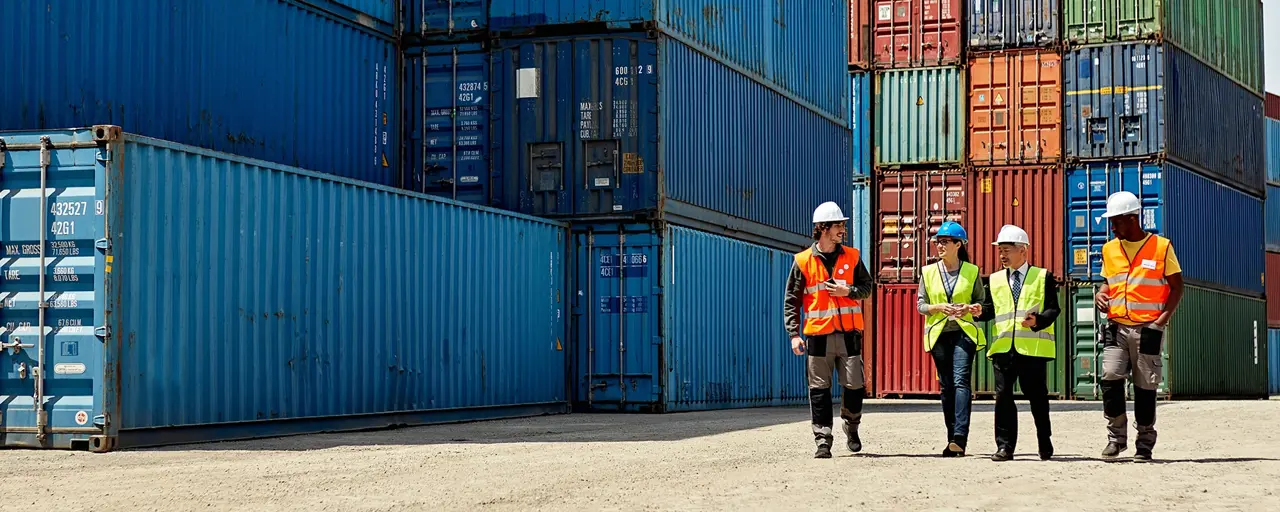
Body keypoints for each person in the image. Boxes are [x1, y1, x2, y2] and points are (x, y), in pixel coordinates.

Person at [1094, 191, 1183, 462]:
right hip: (1116, 327)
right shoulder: (1109, 249)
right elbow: (1108, 282)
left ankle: (1144, 442)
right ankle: (1115, 439)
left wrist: (1160, 322)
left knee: (1146, 387)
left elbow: (1177, 287)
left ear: (1132, 219)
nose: (1112, 227)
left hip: (1148, 329)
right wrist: (1101, 292)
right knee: (1110, 378)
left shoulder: (1161, 247)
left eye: (1116, 221)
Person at [784, 201, 875, 459]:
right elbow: (791, 300)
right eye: (838, 225)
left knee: (855, 386)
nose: (842, 230)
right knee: (819, 390)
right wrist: (793, 334)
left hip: (848, 335)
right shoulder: (803, 261)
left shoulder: (853, 257)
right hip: (818, 336)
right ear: (823, 228)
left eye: (843, 226)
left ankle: (852, 425)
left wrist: (850, 291)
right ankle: (823, 440)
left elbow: (868, 287)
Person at [979, 224, 1060, 462]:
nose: (1002, 255)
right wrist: (976, 311)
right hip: (1003, 348)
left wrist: (1038, 321)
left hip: (1032, 348)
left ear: (1023, 250)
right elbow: (989, 311)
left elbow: (1054, 309)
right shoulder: (993, 279)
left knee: (1038, 398)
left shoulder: (1042, 276)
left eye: (1007, 250)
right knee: (1003, 398)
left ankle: (1044, 442)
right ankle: (1004, 447)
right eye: (1000, 250)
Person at [917, 221, 986, 457]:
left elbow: (981, 304)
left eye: (945, 242)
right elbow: (920, 305)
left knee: (960, 381)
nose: (939, 246)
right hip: (939, 334)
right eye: (938, 242)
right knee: (946, 386)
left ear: (959, 244)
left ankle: (959, 437)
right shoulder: (928, 272)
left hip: (964, 333)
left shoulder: (972, 271)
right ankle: (951, 436)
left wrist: (971, 308)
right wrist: (937, 307)